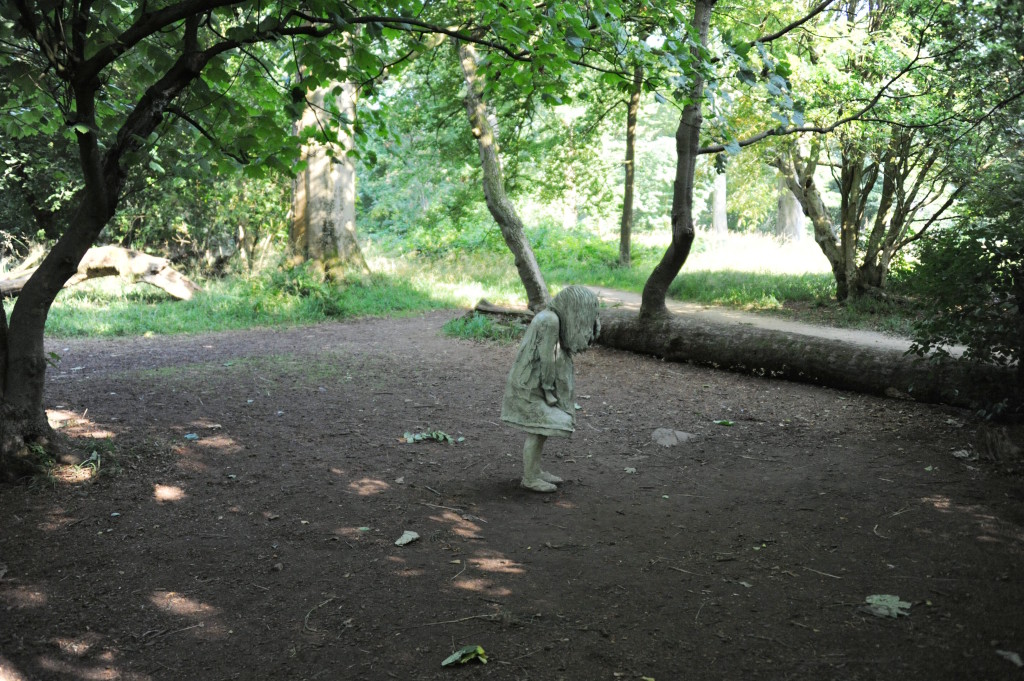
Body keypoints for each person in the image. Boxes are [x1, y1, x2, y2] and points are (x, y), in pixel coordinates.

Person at [501, 286, 601, 492]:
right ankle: (529, 477)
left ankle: (535, 471)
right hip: (530, 385)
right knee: (539, 428)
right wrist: (548, 389)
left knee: (540, 429)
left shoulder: (550, 317)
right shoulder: (550, 321)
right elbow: (547, 358)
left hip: (532, 382)